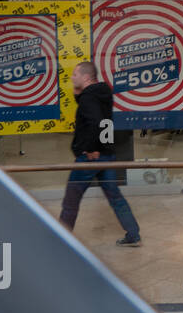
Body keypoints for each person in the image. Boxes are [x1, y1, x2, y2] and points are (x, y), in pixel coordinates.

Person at [59, 61, 142, 247]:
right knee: (115, 196)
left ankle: (61, 239)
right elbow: (99, 116)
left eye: (75, 74)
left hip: (89, 158)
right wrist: (78, 97)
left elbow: (95, 121)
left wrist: (90, 148)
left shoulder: (89, 98)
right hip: (107, 154)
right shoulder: (101, 93)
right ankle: (133, 234)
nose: (72, 77)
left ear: (86, 77)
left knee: (71, 197)